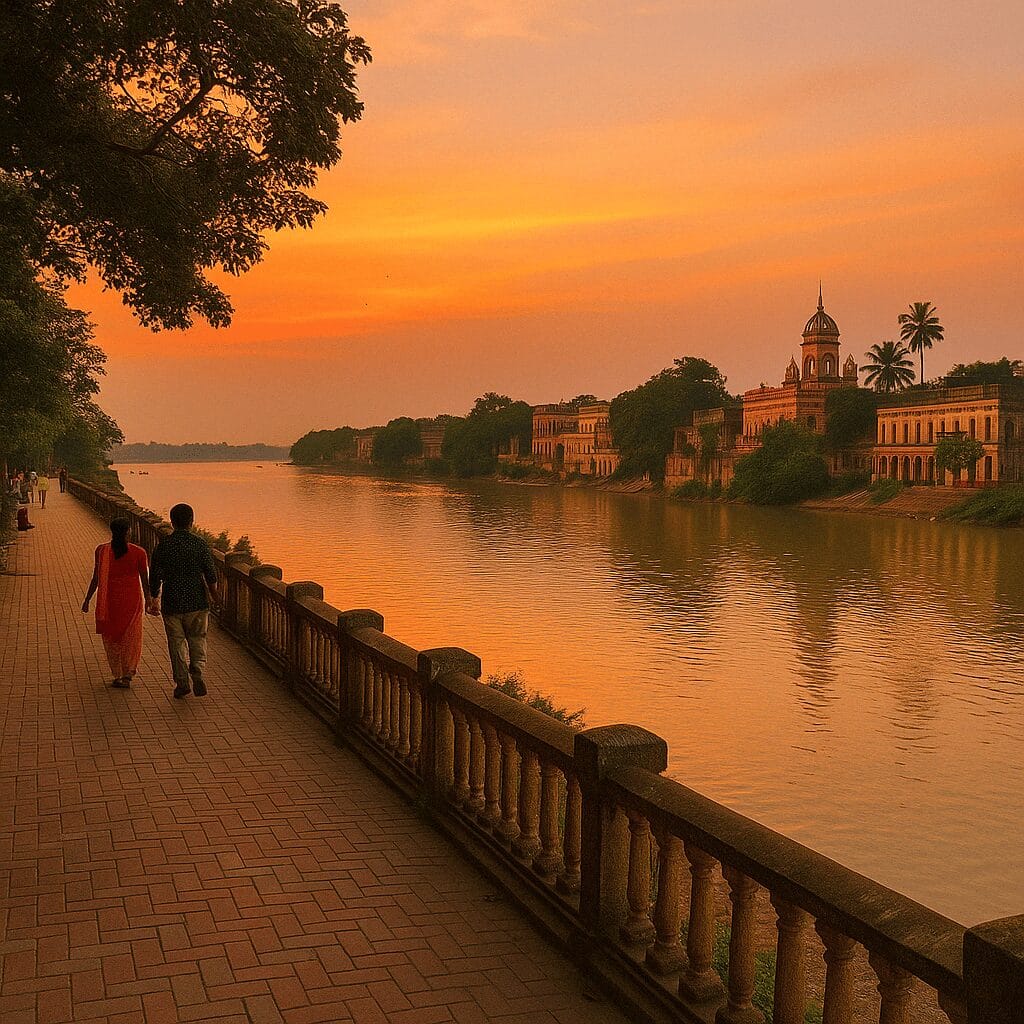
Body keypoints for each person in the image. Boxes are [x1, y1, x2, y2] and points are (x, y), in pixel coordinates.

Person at [149, 503, 220, 699]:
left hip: (172, 602)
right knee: (198, 638)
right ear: (191, 521)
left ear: (172, 522)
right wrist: (216, 598)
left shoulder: (164, 545)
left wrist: (154, 597)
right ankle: (197, 667)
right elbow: (211, 575)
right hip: (197, 602)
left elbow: (154, 575)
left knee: (176, 643)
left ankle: (182, 682)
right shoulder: (200, 544)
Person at [82, 518, 151, 688]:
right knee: (131, 636)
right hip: (132, 601)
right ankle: (128, 672)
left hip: (109, 601)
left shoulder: (102, 551)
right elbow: (145, 580)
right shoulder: (139, 552)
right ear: (128, 531)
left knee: (112, 636)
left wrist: (87, 599)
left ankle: (118, 673)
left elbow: (96, 578)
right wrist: (149, 600)